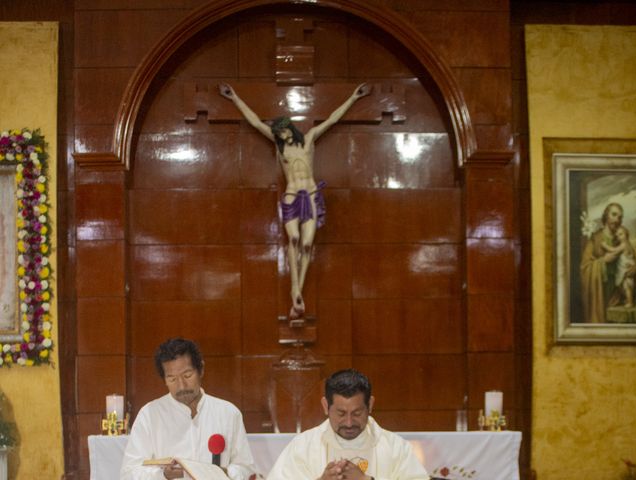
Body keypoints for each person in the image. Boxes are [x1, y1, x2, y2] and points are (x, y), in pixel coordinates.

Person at [219, 82, 370, 319]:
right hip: (291, 194)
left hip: (310, 194)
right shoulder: (280, 149)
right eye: (277, 133)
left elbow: (331, 120)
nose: (280, 135)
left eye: (283, 131)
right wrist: (235, 98)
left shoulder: (309, 140)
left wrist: (353, 98)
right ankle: (294, 289)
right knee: (295, 238)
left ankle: (298, 290)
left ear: (290, 129)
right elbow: (256, 122)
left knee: (308, 245)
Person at [120, 337, 257, 480]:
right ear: (164, 380)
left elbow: (247, 470)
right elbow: (128, 474)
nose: (181, 386)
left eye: (187, 375)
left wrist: (221, 473)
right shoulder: (149, 415)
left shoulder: (228, 413)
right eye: (172, 379)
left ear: (201, 370)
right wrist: (163, 475)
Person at [266, 369, 429, 480]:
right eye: (341, 413)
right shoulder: (302, 447)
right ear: (325, 406)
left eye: (357, 413)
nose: (349, 423)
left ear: (370, 405)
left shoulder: (396, 448)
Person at [580, 202, 636, 322]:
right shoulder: (595, 238)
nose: (617, 219)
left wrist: (635, 269)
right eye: (614, 215)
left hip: (621, 296)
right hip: (603, 298)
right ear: (606, 216)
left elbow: (635, 261)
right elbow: (584, 268)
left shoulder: (622, 239)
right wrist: (603, 262)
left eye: (620, 217)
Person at [601, 226, 636, 308]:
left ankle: (630, 302)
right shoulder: (629, 244)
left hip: (626, 269)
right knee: (626, 286)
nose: (619, 237)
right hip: (627, 266)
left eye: (621, 234)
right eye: (617, 235)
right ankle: (628, 300)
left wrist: (605, 246)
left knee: (627, 287)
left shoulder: (623, 245)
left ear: (626, 235)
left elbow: (614, 250)